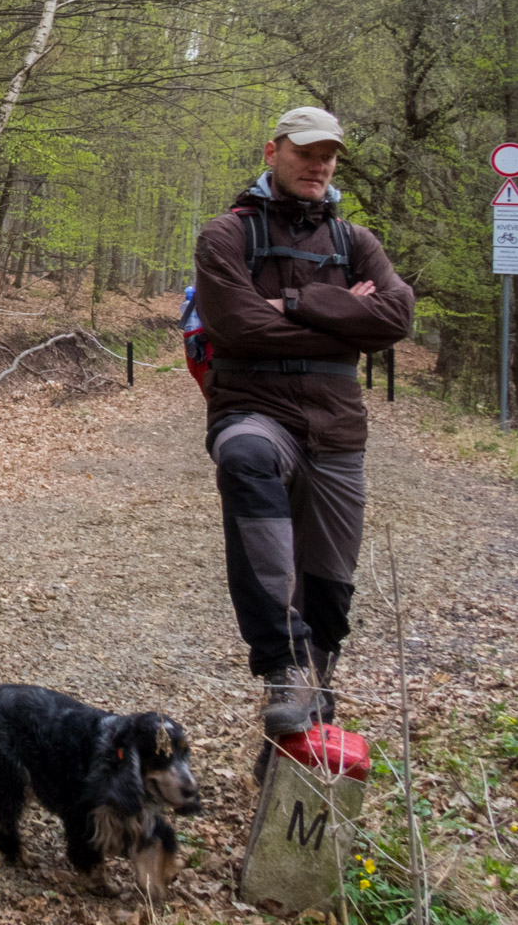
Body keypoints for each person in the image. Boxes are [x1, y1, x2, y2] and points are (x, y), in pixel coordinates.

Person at [193, 107, 414, 739]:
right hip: (253, 412)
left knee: (329, 588)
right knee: (244, 458)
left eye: (329, 155)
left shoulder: (356, 242)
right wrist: (346, 319)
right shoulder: (227, 236)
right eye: (305, 152)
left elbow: (396, 318)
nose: (319, 165)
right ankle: (282, 665)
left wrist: (296, 302)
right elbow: (237, 326)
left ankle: (304, 723)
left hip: (338, 428)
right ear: (272, 151)